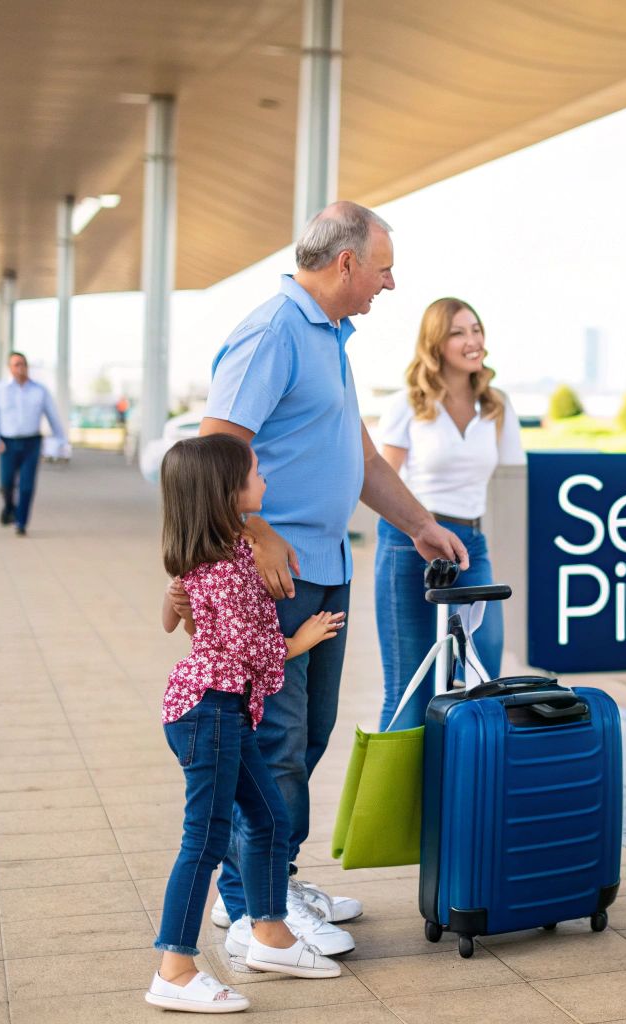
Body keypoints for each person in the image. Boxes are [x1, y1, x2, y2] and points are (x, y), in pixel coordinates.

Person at [195, 201, 470, 948]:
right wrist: (255, 531)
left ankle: (264, 881)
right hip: (275, 580)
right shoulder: (273, 332)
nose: (389, 282)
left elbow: (363, 464)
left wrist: (420, 526)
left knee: (307, 737)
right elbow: (212, 450)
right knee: (277, 745)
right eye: (382, 268)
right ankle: (259, 915)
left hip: (325, 569)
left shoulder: (330, 341)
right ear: (346, 262)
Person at [148, 434, 347, 1013]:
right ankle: (175, 968)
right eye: (256, 472)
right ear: (226, 492)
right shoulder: (227, 570)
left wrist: (175, 595)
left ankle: (271, 934)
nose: (265, 480)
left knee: (266, 818)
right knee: (204, 840)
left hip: (219, 710)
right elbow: (254, 654)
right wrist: (302, 639)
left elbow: (170, 619)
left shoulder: (221, 552)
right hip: (208, 711)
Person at [374, 298, 524, 729]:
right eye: (459, 332)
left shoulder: (497, 406)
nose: (472, 341)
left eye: (476, 330)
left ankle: (461, 789)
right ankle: (394, 797)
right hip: (410, 544)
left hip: (471, 546)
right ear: (436, 343)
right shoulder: (409, 403)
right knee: (410, 688)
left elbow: (516, 479)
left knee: (483, 680)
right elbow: (386, 478)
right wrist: (418, 526)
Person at [0, 353, 66, 535]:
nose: (20, 368)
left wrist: (60, 440)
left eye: (23, 364)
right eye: (16, 364)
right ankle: (9, 507)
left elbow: (53, 416)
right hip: (8, 443)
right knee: (6, 482)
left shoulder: (39, 391)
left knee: (27, 485)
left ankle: (21, 522)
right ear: (10, 368)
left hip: (31, 442)